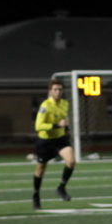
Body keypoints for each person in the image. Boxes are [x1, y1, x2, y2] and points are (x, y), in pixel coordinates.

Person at [32, 79, 75, 210]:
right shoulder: (45, 105)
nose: (58, 92)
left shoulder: (65, 104)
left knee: (71, 161)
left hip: (60, 139)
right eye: (55, 89)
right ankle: (36, 195)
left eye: (60, 89)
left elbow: (64, 118)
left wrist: (67, 130)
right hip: (45, 141)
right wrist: (57, 125)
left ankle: (61, 187)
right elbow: (38, 126)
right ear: (50, 91)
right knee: (41, 169)